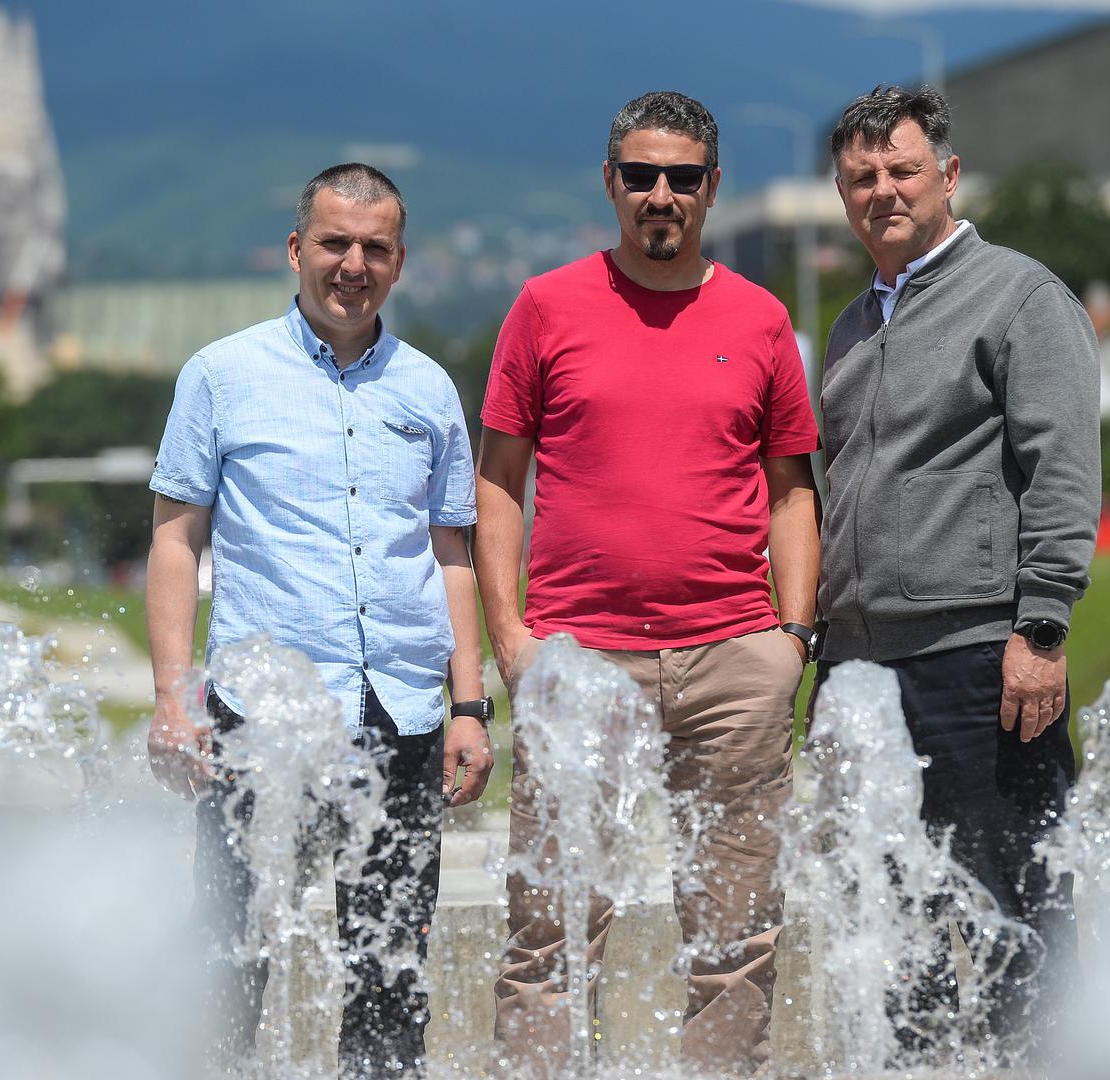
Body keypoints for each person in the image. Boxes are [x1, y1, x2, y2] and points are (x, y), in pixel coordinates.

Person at [475, 90, 822, 1076]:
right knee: (548, 938)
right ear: (611, 184)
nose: (659, 194)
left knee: (737, 934)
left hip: (732, 663)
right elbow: (499, 484)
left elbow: (793, 493)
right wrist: (513, 643)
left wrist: (789, 643)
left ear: (712, 188)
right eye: (640, 176)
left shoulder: (760, 320)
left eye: (681, 177)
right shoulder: (545, 307)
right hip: (579, 664)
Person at [144, 163, 493, 1079]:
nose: (353, 264)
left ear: (400, 261)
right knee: (232, 949)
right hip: (265, 716)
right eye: (335, 242)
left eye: (374, 248)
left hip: (403, 712)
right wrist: (173, 699)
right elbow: (177, 544)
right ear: (297, 250)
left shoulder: (428, 391)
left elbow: (450, 555)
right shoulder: (220, 375)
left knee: (392, 962)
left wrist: (469, 706)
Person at [816, 86, 1101, 1055]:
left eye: (901, 171)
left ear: (948, 175)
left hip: (980, 653)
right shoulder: (851, 325)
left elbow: (1063, 469)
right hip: (860, 663)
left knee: (1018, 894)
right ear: (842, 194)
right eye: (863, 177)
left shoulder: (1020, 295)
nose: (883, 191)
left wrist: (1044, 628)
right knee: (895, 909)